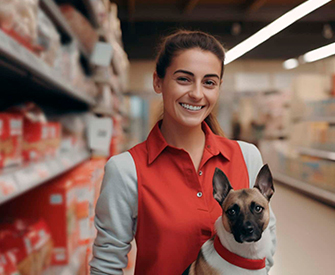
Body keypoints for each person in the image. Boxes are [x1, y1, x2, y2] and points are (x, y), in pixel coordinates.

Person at [90, 30, 276, 275]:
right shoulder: (126, 170)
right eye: (184, 79)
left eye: (209, 82)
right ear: (158, 81)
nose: (197, 93)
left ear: (219, 87)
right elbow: (107, 264)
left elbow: (266, 245)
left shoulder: (246, 155)